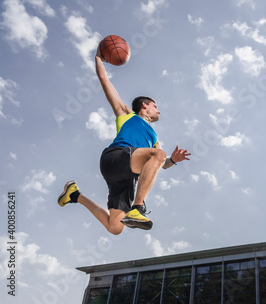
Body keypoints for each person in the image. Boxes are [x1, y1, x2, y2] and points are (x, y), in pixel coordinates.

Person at [57, 46, 190, 234]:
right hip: (115, 158)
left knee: (115, 227)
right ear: (144, 106)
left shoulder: (154, 138)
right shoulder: (127, 115)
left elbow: (161, 163)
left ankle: (75, 194)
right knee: (158, 153)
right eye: (155, 106)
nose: (158, 110)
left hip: (126, 178)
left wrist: (174, 160)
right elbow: (104, 81)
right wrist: (98, 58)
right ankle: (138, 208)